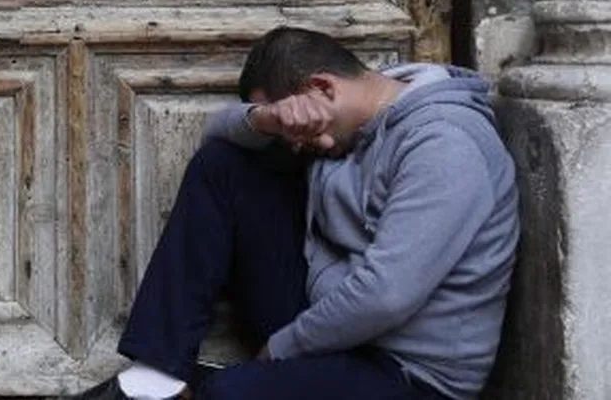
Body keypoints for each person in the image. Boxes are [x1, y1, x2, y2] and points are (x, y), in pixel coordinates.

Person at [77, 27, 519, 400]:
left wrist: (281, 348)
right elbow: (217, 132)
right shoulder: (361, 108)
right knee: (223, 166)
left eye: (297, 132)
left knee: (229, 394)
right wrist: (266, 119)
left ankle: (205, 385)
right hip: (331, 318)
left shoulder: (445, 145)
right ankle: (155, 381)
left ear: (323, 88)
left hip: (406, 372)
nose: (298, 145)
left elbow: (386, 295)